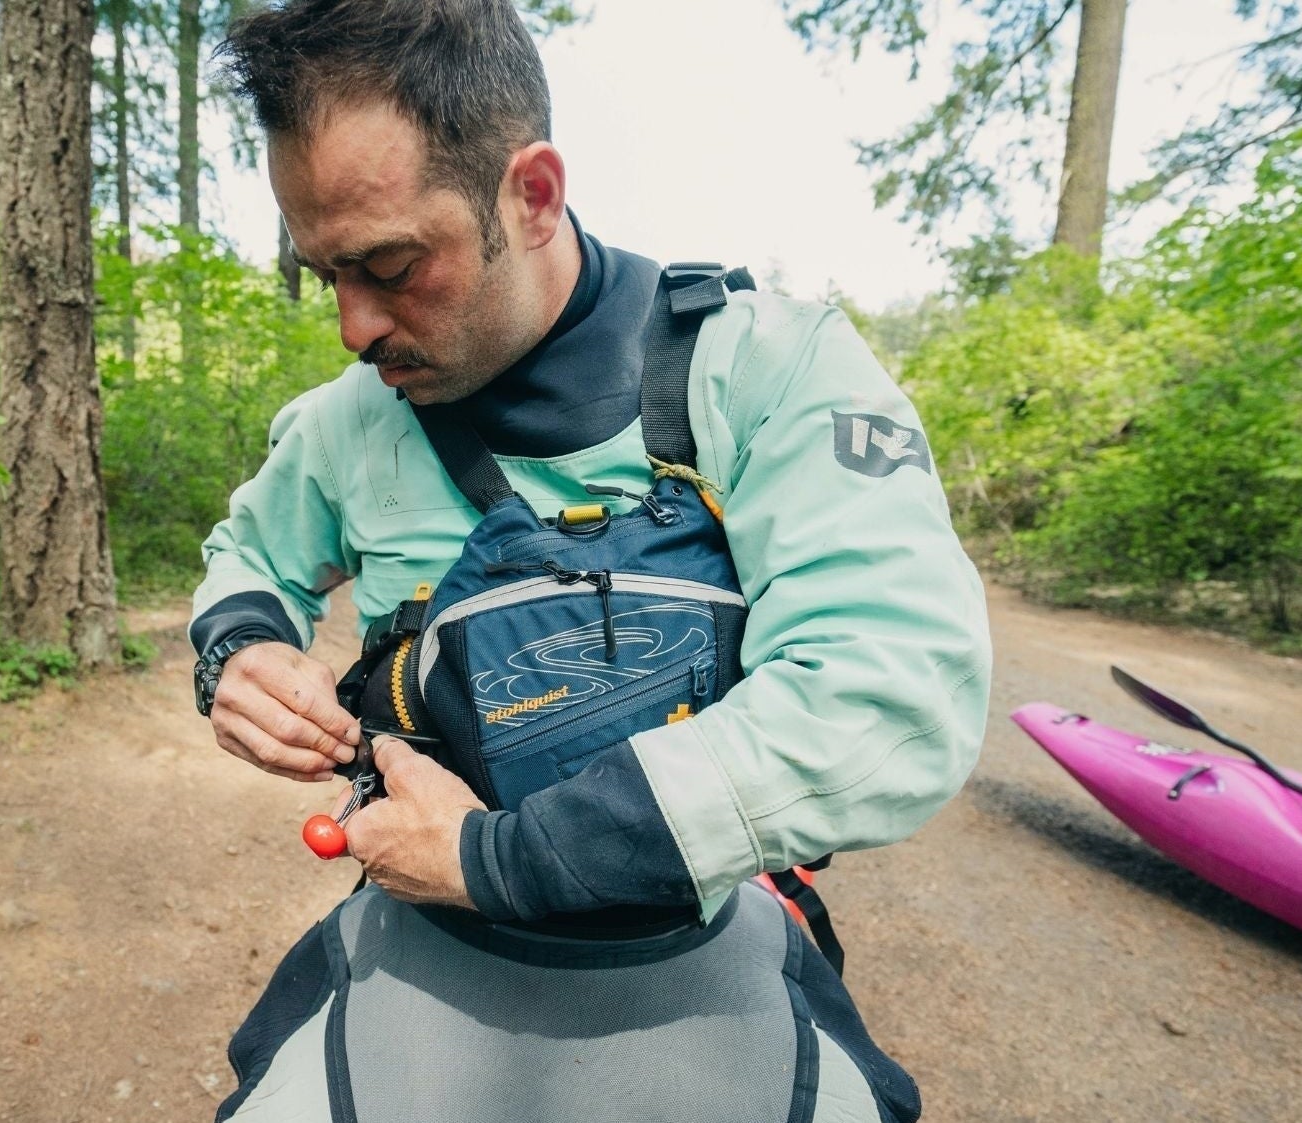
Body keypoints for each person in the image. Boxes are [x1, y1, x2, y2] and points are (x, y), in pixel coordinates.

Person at [189, 2, 992, 1119]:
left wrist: (494, 859)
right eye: (324, 272)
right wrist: (236, 651)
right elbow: (246, 552)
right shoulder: (346, 425)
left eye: (389, 264)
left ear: (531, 194)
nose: (352, 326)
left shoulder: (767, 372)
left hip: (699, 942)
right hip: (418, 952)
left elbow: (891, 693)